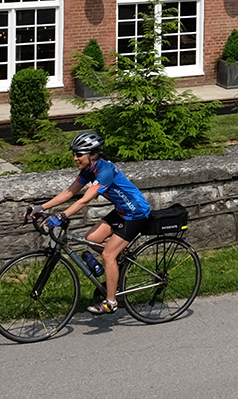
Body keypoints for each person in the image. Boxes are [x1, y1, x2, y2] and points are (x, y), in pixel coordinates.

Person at [31, 130, 151, 314]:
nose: (75, 158)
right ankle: (118, 265)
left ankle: (111, 302)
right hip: (121, 211)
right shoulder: (89, 170)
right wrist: (41, 207)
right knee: (92, 238)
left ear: (93, 154)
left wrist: (61, 216)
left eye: (79, 154)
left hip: (136, 214)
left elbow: (84, 200)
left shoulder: (104, 171)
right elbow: (70, 192)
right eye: (74, 154)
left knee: (108, 255)